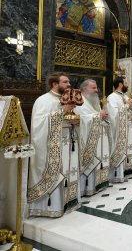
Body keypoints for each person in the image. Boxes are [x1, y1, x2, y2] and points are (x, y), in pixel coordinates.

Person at [27, 72, 80, 217]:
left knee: (68, 171)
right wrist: (63, 111)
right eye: (65, 82)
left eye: (69, 82)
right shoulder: (43, 100)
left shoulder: (69, 99)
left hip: (67, 143)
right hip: (52, 146)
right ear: (54, 84)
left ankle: (66, 202)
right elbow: (39, 124)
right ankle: (50, 208)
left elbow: (72, 118)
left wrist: (75, 119)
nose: (68, 84)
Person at [74, 79, 111, 197]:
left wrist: (103, 116)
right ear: (84, 89)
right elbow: (81, 118)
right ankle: (86, 188)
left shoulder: (93, 101)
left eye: (96, 88)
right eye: (93, 88)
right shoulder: (79, 100)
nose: (96, 90)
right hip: (87, 137)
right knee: (90, 162)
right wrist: (98, 116)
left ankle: (96, 184)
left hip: (98, 137)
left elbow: (97, 115)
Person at [106, 77, 132, 182]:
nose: (127, 85)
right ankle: (116, 175)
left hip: (128, 127)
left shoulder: (125, 96)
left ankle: (125, 172)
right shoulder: (112, 97)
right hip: (119, 130)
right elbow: (113, 114)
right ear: (120, 84)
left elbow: (130, 113)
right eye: (126, 83)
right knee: (120, 149)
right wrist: (126, 106)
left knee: (128, 149)